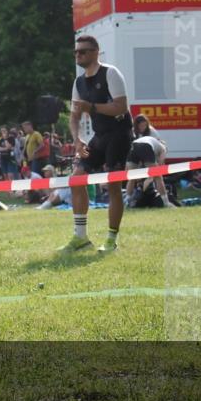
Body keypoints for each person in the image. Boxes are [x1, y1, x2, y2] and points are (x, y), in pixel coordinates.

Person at [61, 34, 132, 254]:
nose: (78, 55)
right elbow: (74, 116)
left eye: (82, 51)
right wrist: (77, 139)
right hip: (99, 136)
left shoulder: (111, 73)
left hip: (119, 134)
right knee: (76, 179)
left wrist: (91, 107)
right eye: (76, 52)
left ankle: (111, 240)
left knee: (112, 186)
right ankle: (81, 237)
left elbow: (121, 107)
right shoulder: (78, 82)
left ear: (95, 52)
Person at [124, 135, 175, 208]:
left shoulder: (152, 142)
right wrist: (153, 174)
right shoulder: (163, 147)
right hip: (145, 146)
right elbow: (161, 163)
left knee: (132, 178)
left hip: (133, 145)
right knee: (158, 177)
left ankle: (126, 201)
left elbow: (128, 169)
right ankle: (166, 203)